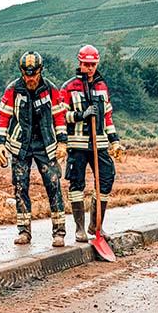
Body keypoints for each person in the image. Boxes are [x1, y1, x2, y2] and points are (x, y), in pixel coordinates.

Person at [0, 51, 68, 247]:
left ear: (40, 71)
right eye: (27, 75)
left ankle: (59, 232)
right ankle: (24, 231)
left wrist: (63, 142)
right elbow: (3, 117)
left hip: (45, 144)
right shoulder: (13, 89)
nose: (30, 79)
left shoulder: (50, 89)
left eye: (34, 74)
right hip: (21, 145)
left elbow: (59, 117)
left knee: (53, 185)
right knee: (20, 187)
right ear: (21, 72)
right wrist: (0, 143)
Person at [59, 45, 123, 243]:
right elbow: (60, 116)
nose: (90, 68)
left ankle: (97, 226)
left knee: (105, 180)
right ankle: (79, 229)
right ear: (79, 63)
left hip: (100, 143)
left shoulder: (102, 86)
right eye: (86, 64)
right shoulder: (69, 87)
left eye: (93, 64)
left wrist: (115, 142)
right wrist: (81, 115)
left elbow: (108, 117)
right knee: (77, 184)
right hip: (77, 144)